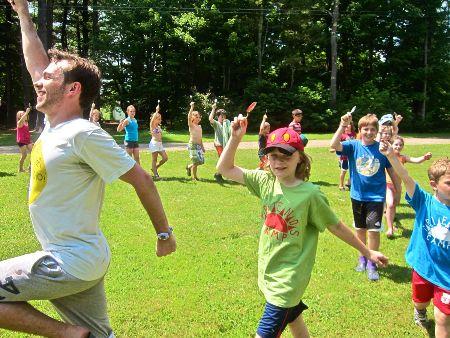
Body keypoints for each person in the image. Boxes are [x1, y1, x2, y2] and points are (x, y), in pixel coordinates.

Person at [1, 2, 176, 337]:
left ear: (72, 89)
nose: (39, 81)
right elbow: (36, 63)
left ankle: (68, 333)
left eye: (50, 78)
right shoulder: (54, 124)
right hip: (82, 259)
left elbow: (142, 180)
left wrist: (164, 234)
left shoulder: (82, 133)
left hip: (69, 262)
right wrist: (24, 13)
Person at [217, 118, 388, 338]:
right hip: (269, 271)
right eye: (273, 156)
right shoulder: (266, 182)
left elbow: (336, 226)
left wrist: (367, 252)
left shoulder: (310, 194)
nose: (279, 162)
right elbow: (224, 168)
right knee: (294, 318)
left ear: (300, 157)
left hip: (288, 279)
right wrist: (234, 138)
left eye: (286, 155)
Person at [380, 141, 449, 337]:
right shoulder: (423, 201)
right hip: (423, 266)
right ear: (434, 185)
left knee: (443, 317)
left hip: (447, 275)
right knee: (421, 301)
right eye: (449, 183)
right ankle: (419, 311)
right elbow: (406, 177)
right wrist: (392, 156)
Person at [330, 112, 398, 281]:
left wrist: (398, 190)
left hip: (375, 197)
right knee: (360, 230)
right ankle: (362, 257)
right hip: (357, 196)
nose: (369, 132)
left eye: (372, 129)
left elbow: (392, 171)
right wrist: (342, 125)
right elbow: (334, 144)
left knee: (373, 231)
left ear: (377, 131)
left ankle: (372, 263)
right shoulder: (353, 145)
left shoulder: (382, 149)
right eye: (365, 129)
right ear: (360, 130)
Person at [384, 136, 432, 237]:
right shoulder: (386, 156)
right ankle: (390, 228)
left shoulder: (403, 157)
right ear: (391, 145)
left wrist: (424, 157)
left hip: (397, 186)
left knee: (394, 204)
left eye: (401, 145)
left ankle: (390, 215)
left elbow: (415, 160)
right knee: (391, 204)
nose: (398, 146)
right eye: (396, 144)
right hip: (387, 185)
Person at [149, 102, 168, 180]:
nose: (160, 120)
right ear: (154, 119)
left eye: (160, 118)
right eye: (159, 118)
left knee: (165, 158)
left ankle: (155, 168)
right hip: (154, 144)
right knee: (154, 159)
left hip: (160, 144)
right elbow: (152, 120)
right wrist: (156, 111)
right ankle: (156, 175)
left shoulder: (159, 127)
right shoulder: (152, 125)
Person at [186, 101, 205, 181]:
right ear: (193, 118)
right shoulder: (192, 125)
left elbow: (200, 138)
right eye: (196, 116)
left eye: (198, 116)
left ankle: (189, 167)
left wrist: (202, 147)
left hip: (198, 146)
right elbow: (189, 116)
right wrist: (192, 107)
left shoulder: (199, 127)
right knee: (196, 161)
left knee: (201, 161)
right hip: (192, 145)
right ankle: (194, 177)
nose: (198, 118)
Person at [209, 101, 226, 182]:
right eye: (222, 117)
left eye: (224, 116)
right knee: (222, 159)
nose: (223, 118)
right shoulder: (216, 124)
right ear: (218, 117)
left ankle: (219, 174)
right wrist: (213, 109)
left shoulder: (226, 125)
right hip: (218, 144)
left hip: (224, 145)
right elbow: (210, 119)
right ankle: (218, 175)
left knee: (223, 159)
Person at [337, 122, 356, 190]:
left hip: (353, 156)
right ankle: (341, 185)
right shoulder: (342, 135)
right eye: (346, 125)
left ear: (351, 125)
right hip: (344, 157)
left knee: (353, 170)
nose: (347, 126)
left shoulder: (354, 134)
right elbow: (337, 144)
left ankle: (348, 182)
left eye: (348, 125)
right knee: (344, 171)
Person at [16, 105, 34, 172]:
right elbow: (21, 121)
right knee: (24, 155)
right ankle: (20, 169)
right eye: (21, 114)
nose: (23, 114)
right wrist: (26, 112)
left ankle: (30, 167)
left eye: (23, 113)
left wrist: (31, 141)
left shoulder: (26, 122)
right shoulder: (19, 123)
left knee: (33, 153)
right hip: (21, 141)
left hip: (27, 140)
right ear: (19, 116)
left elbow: (26, 132)